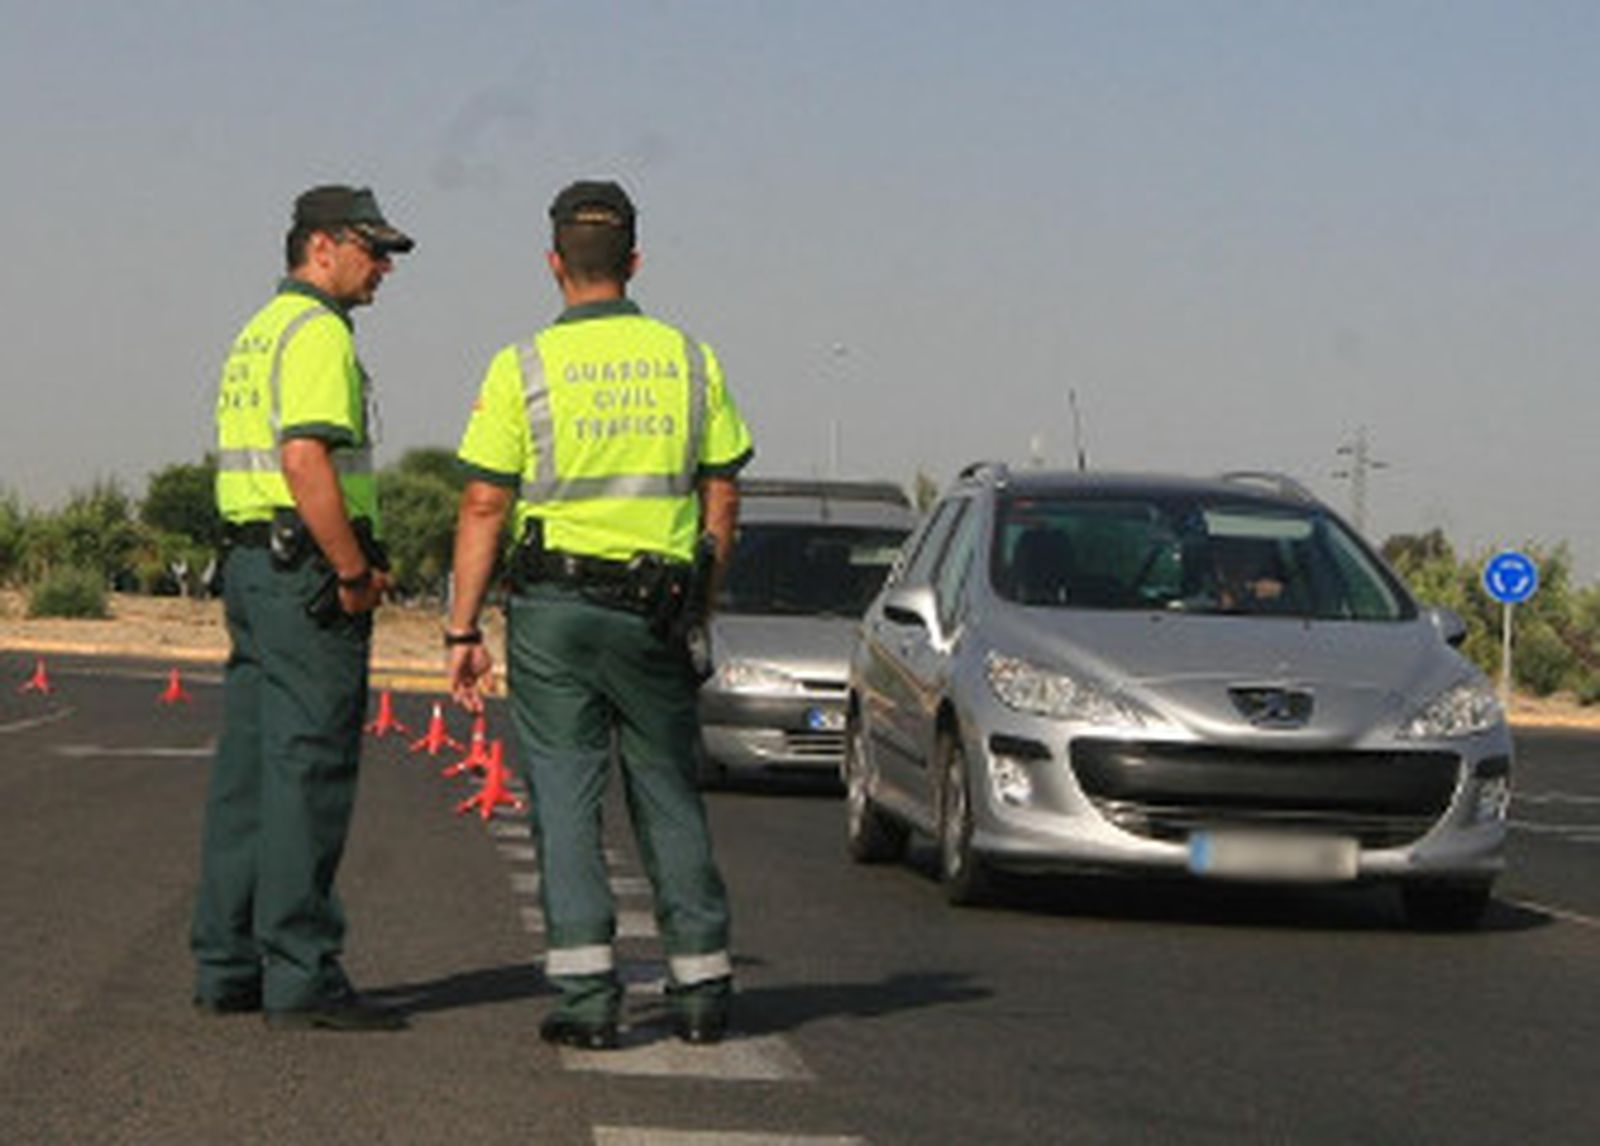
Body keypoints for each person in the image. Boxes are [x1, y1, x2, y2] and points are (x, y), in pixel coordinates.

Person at [446, 180, 753, 1050]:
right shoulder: (692, 360)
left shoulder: (521, 367)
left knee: (564, 797)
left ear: (553, 265)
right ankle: (701, 991)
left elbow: (481, 505)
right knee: (666, 790)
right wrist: (702, 599)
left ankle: (587, 1002)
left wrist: (462, 630)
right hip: (657, 611)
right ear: (635, 262)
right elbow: (722, 491)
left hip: (553, 614)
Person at [191, 185, 414, 1032]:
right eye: (373, 249)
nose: (384, 268)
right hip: (306, 577)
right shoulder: (319, 332)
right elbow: (305, 458)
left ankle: (227, 962)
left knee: (248, 770)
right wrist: (353, 569)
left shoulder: (259, 330)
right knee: (308, 771)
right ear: (321, 248)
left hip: (252, 568)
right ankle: (301, 973)